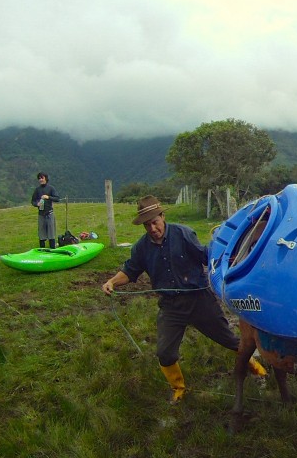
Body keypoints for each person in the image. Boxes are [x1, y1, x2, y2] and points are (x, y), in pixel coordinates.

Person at [100, 195, 263, 405]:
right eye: (147, 225)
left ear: (162, 216)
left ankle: (258, 370)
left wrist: (233, 262)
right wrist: (112, 282)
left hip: (199, 300)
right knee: (165, 353)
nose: (152, 228)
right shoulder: (141, 248)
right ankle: (178, 389)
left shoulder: (183, 234)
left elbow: (206, 257)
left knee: (231, 340)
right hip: (171, 307)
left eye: (155, 222)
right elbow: (130, 271)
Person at [31, 172, 61, 248]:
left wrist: (48, 197)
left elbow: (57, 198)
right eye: (39, 178)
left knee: (51, 233)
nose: (40, 180)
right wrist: (36, 204)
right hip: (41, 214)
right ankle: (42, 250)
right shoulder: (37, 190)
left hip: (49, 213)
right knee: (41, 234)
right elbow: (33, 201)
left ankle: (52, 249)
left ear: (46, 179)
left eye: (42, 178)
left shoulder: (51, 188)